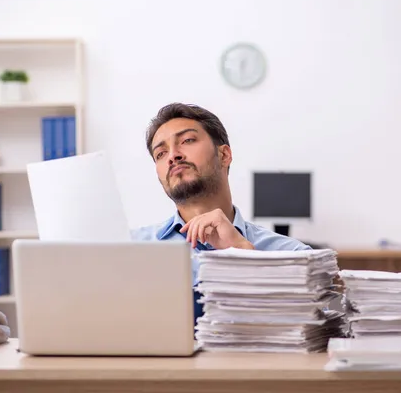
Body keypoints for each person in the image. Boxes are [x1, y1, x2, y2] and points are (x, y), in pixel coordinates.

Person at [131, 102, 311, 323]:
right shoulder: (127, 250)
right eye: (160, 153)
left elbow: (306, 332)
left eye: (187, 140)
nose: (173, 156)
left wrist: (244, 253)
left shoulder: (294, 256)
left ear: (224, 155)